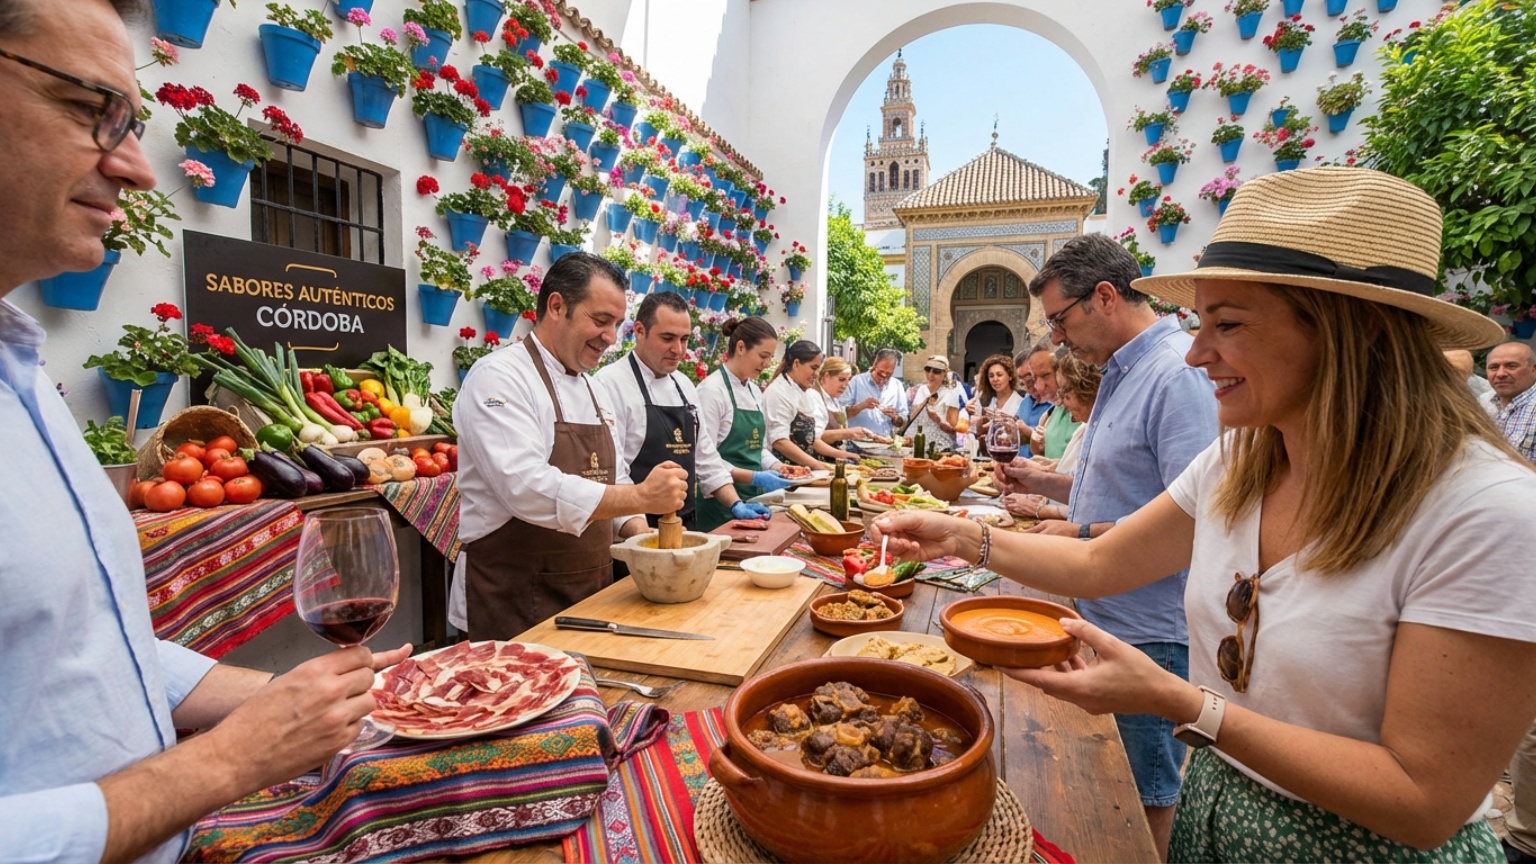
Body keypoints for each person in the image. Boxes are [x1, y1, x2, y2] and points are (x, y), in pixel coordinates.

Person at [874, 167, 1536, 863]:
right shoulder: (1245, 458)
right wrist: (962, 535)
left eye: (1227, 324)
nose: (1196, 352)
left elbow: (1423, 799)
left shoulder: (1487, 515)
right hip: (1212, 820)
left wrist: (1185, 704)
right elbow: (1106, 560)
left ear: (1354, 330)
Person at [0, 2, 413, 861]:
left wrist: (286, 700)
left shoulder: (24, 373)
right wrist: (233, 760)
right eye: (89, 111)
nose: (137, 169)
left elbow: (85, 649)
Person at [995, 232, 1219, 856]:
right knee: (1110, 782)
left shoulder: (1176, 375)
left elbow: (1196, 518)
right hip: (1106, 612)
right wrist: (1046, 481)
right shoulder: (1121, 369)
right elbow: (1122, 483)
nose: (1058, 338)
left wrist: (1081, 531)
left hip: (1149, 628)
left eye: (1060, 320)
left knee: (1146, 791)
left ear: (1103, 297)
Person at [451, 252, 689, 639]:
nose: (611, 338)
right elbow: (526, 488)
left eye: (616, 324)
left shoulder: (595, 388)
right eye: (600, 321)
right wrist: (642, 497)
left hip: (589, 598)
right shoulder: (499, 377)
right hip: (513, 601)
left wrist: (642, 539)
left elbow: (616, 476)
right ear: (557, 306)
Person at [594, 292, 770, 532]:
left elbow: (706, 458)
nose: (678, 349)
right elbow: (614, 475)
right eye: (667, 338)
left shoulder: (684, 385)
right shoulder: (610, 383)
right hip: (636, 530)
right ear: (639, 330)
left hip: (685, 525)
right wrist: (642, 534)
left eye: (685, 339)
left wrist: (736, 503)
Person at [695, 317, 796, 530]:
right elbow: (704, 458)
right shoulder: (711, 391)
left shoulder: (754, 391)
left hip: (753, 501)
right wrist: (754, 477)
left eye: (770, 357)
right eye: (763, 356)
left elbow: (757, 448)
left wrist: (777, 466)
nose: (768, 364)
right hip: (720, 506)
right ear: (741, 347)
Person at [1005, 353, 1102, 520]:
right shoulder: (1084, 425)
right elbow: (1079, 475)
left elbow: (1099, 497)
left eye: (1067, 394)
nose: (1063, 402)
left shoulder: (1101, 427)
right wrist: (1046, 468)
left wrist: (1039, 508)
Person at [763, 339, 837, 470]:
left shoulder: (805, 392)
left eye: (818, 369)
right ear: (796, 364)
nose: (816, 374)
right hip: (785, 472)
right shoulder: (778, 392)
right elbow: (779, 441)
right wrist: (816, 465)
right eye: (813, 368)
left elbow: (811, 439)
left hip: (805, 469)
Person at [1480, 341, 1536, 462]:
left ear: (1534, 369)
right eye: (1493, 367)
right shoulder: (1483, 401)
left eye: (1511, 366)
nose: (1500, 374)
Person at [1024, 342, 1080, 460]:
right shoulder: (1049, 414)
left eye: (1045, 376)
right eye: (1034, 378)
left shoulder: (1088, 412)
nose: (1038, 387)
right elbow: (1039, 453)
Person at [841, 347, 908, 438]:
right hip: (857, 444)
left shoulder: (897, 385)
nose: (883, 377)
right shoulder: (856, 382)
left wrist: (895, 418)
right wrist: (862, 405)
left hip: (885, 445)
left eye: (888, 375)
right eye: (880, 373)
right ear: (875, 364)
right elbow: (841, 415)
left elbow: (904, 420)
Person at [813, 356, 873, 455]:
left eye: (848, 380)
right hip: (818, 458)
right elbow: (814, 437)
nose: (846, 385)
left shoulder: (835, 400)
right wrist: (848, 433)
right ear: (827, 376)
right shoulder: (814, 397)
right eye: (841, 379)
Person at [904, 355, 963, 450]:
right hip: (917, 445)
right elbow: (912, 419)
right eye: (928, 369)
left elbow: (952, 429)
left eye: (936, 371)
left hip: (940, 447)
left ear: (944, 375)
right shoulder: (921, 390)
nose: (930, 374)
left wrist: (936, 418)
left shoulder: (950, 394)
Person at [970, 352, 1023, 444]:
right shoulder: (983, 401)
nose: (995, 379)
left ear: (1010, 376)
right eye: (991, 376)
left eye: (999, 375)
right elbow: (976, 432)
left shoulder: (1021, 402)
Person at [1012, 346, 1052, 433]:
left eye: (1030, 378)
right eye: (1022, 381)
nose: (1027, 387)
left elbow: (1053, 439)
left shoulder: (1055, 404)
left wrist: (1029, 432)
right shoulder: (1026, 401)